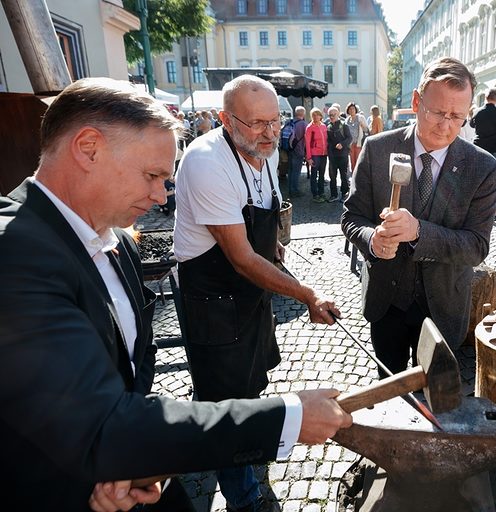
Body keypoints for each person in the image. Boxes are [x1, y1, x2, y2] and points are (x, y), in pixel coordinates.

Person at [0, 77, 352, 512]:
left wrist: (132, 465)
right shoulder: (13, 252)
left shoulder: (118, 243)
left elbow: (130, 381)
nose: (161, 195)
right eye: (152, 176)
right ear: (88, 148)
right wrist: (289, 417)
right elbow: (92, 427)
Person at [173, 75, 344, 512]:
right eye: (257, 123)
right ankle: (244, 496)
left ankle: (235, 442)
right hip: (213, 295)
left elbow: (259, 219)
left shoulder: (262, 151)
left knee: (250, 380)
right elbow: (241, 257)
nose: (271, 133)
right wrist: (307, 294)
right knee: (225, 396)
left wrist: (275, 244)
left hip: (249, 294)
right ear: (228, 121)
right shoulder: (206, 161)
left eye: (276, 120)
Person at [341, 57, 496, 376]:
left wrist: (418, 231)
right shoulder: (376, 149)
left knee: (435, 396)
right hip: (387, 301)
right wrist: (372, 240)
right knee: (389, 387)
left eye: (457, 116)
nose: (445, 125)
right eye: (437, 112)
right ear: (416, 101)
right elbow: (351, 217)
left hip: (443, 305)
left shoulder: (482, 168)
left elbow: (476, 247)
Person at [470, 88, 496, 157]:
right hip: (494, 146)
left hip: (479, 144)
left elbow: (472, 125)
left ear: (486, 97)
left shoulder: (477, 111)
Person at [326, 106, 352, 202]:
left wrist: (342, 144)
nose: (332, 117)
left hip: (343, 155)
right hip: (332, 156)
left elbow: (350, 138)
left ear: (338, 114)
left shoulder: (344, 125)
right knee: (332, 177)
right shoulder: (328, 127)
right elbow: (328, 142)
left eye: (334, 115)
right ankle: (334, 195)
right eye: (330, 115)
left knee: (343, 176)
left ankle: (344, 194)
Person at [306, 107, 329, 202]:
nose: (315, 117)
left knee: (322, 174)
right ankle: (315, 194)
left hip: (324, 154)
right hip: (315, 154)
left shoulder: (324, 126)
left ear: (320, 116)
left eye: (317, 114)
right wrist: (309, 157)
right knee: (314, 174)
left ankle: (321, 193)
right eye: (313, 115)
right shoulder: (309, 127)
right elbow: (307, 143)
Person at [288, 105, 308, 198]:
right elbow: (307, 139)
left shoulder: (290, 122)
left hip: (289, 149)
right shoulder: (304, 124)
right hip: (299, 150)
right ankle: (294, 190)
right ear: (303, 114)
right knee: (296, 171)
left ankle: (290, 189)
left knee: (291, 170)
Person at [346, 102, 369, 171]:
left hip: (359, 143)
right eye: (350, 109)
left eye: (353, 109)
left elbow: (367, 130)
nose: (352, 110)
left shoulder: (360, 118)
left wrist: (362, 125)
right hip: (350, 144)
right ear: (348, 111)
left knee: (359, 161)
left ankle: (359, 178)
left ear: (356, 110)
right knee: (352, 162)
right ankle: (353, 178)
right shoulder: (347, 120)